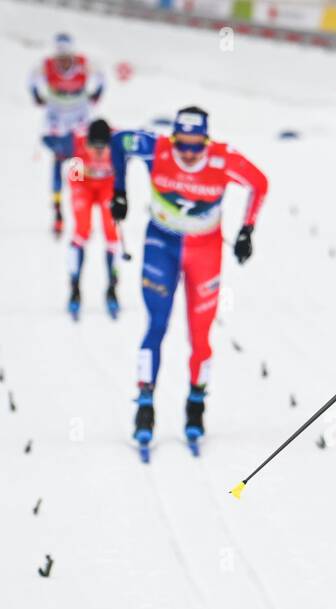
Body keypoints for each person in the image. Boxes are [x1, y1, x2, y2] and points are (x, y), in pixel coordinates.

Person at [110, 106, 268, 454]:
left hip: (205, 250)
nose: (189, 153)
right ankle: (145, 408)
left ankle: (196, 406)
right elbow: (119, 141)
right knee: (156, 326)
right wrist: (119, 191)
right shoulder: (157, 148)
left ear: (207, 142)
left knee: (200, 334)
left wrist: (247, 231)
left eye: (197, 146)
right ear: (174, 138)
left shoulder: (222, 159)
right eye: (183, 145)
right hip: (160, 245)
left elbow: (259, 183)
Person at [29, 33, 103, 237]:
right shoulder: (47, 65)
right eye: (60, 57)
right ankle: (58, 211)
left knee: (76, 166)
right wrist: (36, 96)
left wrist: (97, 94)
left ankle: (77, 209)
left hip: (78, 120)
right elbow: (32, 78)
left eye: (66, 57)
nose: (63, 62)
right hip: (57, 123)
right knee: (58, 162)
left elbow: (101, 76)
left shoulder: (82, 64)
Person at [65, 118, 121, 319]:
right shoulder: (78, 140)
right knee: (82, 229)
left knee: (111, 230)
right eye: (93, 147)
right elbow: (74, 177)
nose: (98, 152)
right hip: (84, 185)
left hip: (108, 184)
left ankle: (112, 288)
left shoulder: (118, 141)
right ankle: (74, 287)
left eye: (102, 148)